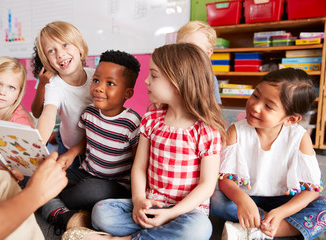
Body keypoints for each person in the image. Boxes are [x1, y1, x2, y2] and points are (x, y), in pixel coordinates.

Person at [74, 43, 226, 240]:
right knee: (101, 212)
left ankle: (128, 238)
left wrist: (171, 213)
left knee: (199, 230)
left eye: (153, 76)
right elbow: (138, 167)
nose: (146, 81)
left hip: (186, 212)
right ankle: (157, 234)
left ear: (178, 82)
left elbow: (207, 186)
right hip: (151, 203)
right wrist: (138, 201)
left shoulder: (206, 130)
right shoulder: (151, 119)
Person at [0, 2, 68, 239]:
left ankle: (62, 214)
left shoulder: (20, 117)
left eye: (11, 87)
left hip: (17, 174)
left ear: (19, 91)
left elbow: (30, 157)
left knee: (43, 188)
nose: (2, 92)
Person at [210, 68, 326, 239]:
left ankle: (258, 231)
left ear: (290, 119)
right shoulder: (236, 131)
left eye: (269, 106)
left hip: (285, 201)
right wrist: (242, 200)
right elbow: (225, 180)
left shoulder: (300, 138)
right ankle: (271, 227)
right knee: (216, 200)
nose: (255, 107)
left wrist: (280, 212)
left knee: (323, 208)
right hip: (249, 199)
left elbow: (312, 190)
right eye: (255, 96)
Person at [42, 50, 141, 235]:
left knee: (88, 192)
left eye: (110, 83)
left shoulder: (132, 122)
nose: (99, 88)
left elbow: (138, 162)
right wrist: (70, 154)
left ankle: (58, 207)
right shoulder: (89, 112)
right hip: (86, 172)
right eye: (96, 80)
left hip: (115, 183)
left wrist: (136, 195)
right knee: (45, 179)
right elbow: (86, 140)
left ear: (127, 93)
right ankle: (67, 215)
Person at [36, 21, 94, 169]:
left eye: (65, 45)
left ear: (79, 47)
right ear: (47, 60)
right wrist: (36, 149)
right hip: (68, 146)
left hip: (95, 146)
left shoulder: (96, 77)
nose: (60, 54)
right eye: (51, 51)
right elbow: (47, 115)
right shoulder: (54, 85)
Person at [177, 20, 222, 105]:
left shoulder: (209, 78)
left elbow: (215, 108)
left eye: (193, 48)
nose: (184, 52)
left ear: (207, 53)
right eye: (180, 46)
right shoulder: (170, 72)